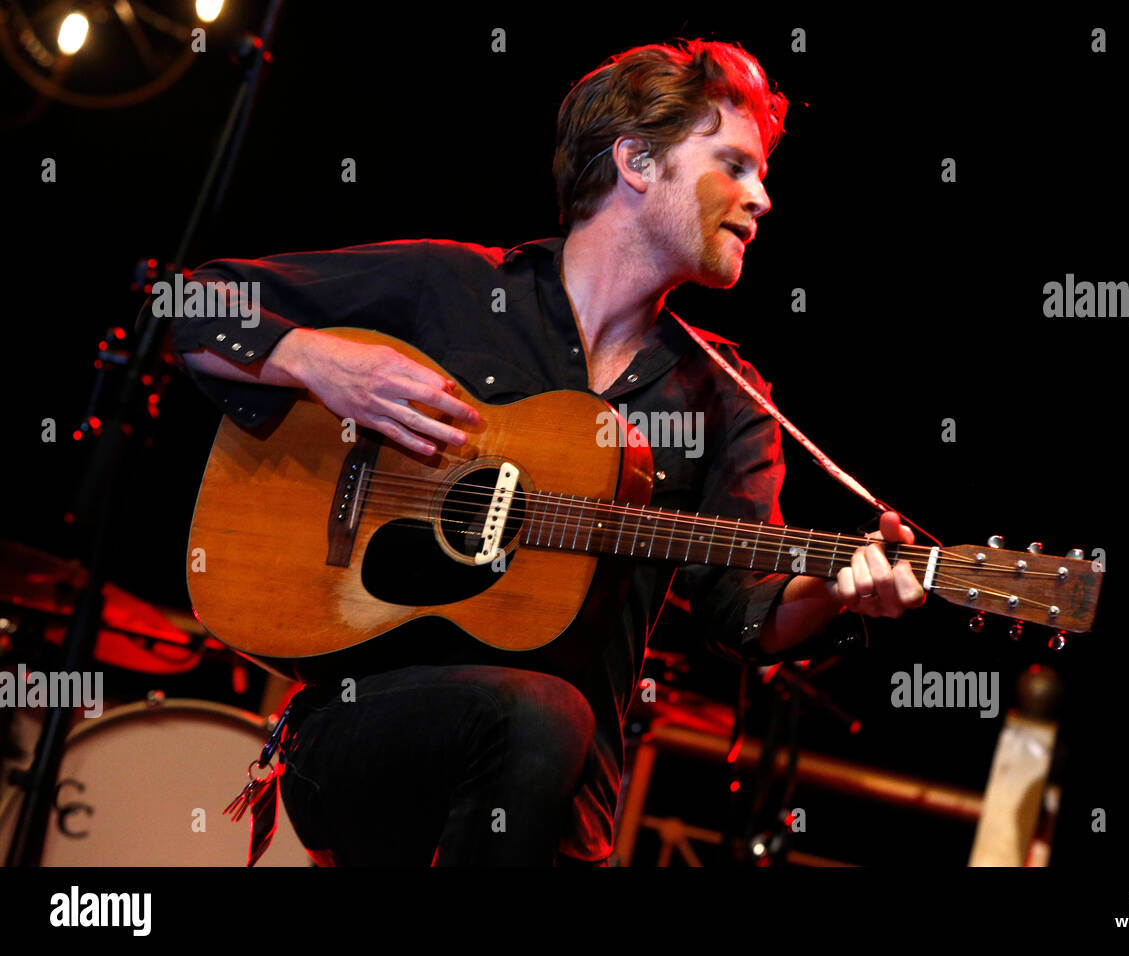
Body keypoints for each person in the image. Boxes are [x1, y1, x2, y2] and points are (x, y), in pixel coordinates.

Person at [162, 39, 926, 866]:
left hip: (555, 802)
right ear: (637, 162)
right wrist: (319, 362)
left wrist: (837, 590)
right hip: (361, 738)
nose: (763, 197)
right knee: (542, 714)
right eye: (734, 165)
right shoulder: (454, 289)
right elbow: (184, 304)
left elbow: (743, 612)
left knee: (547, 724)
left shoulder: (728, 400)